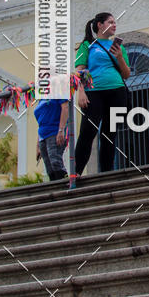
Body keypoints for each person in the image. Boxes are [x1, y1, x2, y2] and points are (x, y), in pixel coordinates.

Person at [74, 12, 131, 175]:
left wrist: (119, 56)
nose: (114, 25)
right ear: (100, 25)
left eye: (115, 22)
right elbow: (79, 70)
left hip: (117, 92)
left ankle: (107, 173)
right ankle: (76, 172)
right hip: (94, 92)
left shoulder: (119, 47)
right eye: (110, 22)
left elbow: (126, 74)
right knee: (87, 132)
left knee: (109, 134)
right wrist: (81, 92)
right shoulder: (87, 45)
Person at [34, 98, 69, 181]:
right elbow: (41, 122)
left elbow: (65, 108)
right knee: (49, 167)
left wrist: (61, 130)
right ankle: (55, 187)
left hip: (54, 131)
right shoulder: (41, 98)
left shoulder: (58, 92)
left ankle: (65, 185)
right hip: (43, 135)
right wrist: (38, 145)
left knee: (55, 161)